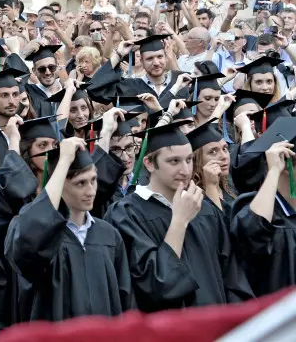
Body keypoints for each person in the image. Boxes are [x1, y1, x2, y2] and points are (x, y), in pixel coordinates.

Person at [105, 121, 254, 312]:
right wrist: (179, 221)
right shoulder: (126, 214)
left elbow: (232, 278)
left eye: (189, 159)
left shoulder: (206, 209)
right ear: (149, 163)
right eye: (174, 161)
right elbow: (155, 284)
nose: (185, 170)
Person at [4, 138, 134, 320]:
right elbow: (27, 246)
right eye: (80, 183)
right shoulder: (40, 234)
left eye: (94, 180)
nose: (91, 191)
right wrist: (64, 161)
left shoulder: (109, 235)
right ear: (59, 185)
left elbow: (124, 299)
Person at [231, 138, 296, 297]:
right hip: (276, 314)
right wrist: (274, 170)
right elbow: (253, 231)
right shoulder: (257, 207)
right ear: (287, 166)